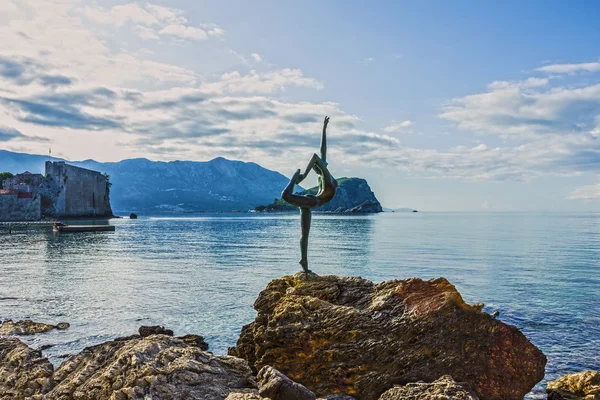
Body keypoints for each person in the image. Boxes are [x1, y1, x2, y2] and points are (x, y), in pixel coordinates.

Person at [281, 116, 338, 272]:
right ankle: (294, 176)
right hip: (313, 202)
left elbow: (319, 154)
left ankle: (303, 262)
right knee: (286, 196)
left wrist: (324, 129)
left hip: (312, 202)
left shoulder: (327, 176)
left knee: (305, 234)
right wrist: (302, 176)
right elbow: (318, 155)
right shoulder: (325, 177)